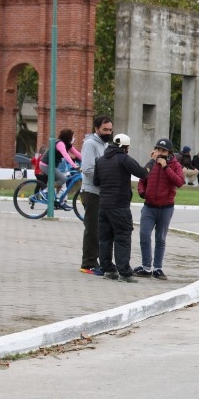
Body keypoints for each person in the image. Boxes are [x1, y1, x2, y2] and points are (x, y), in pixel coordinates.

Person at [93, 134, 148, 283]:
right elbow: (142, 173)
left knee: (105, 238)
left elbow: (96, 181)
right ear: (125, 147)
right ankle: (124, 272)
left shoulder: (101, 160)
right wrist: (152, 162)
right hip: (119, 206)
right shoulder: (123, 158)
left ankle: (108, 270)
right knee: (122, 237)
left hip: (103, 205)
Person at [135, 138, 185, 280]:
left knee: (160, 238)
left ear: (169, 152)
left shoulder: (175, 165)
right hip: (149, 206)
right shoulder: (151, 163)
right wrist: (142, 192)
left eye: (163, 150)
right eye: (158, 149)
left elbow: (179, 182)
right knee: (144, 235)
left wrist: (165, 167)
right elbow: (142, 179)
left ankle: (158, 268)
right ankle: (146, 267)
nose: (160, 153)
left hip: (166, 207)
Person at [79, 116, 113, 275]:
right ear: (96, 129)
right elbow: (87, 168)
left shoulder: (106, 145)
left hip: (102, 192)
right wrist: (105, 179)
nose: (108, 132)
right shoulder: (90, 144)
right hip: (91, 192)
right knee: (92, 228)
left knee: (101, 229)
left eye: (110, 130)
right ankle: (88, 263)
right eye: (105, 129)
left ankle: (100, 260)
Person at [39, 128, 82, 209]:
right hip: (45, 165)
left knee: (61, 183)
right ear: (68, 137)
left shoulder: (67, 145)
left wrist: (89, 162)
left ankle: (59, 202)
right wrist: (74, 165)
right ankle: (44, 192)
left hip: (52, 166)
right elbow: (66, 155)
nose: (73, 138)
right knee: (63, 179)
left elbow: (77, 154)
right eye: (72, 136)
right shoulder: (60, 144)